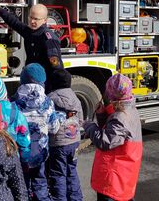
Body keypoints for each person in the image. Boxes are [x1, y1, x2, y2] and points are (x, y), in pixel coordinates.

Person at [83, 74, 143, 201]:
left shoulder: (120, 117)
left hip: (114, 178)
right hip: (124, 174)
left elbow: (104, 142)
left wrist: (89, 126)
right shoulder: (129, 110)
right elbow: (112, 133)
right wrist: (101, 115)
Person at [13, 63, 65, 201]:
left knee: (21, 184)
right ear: (43, 82)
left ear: (22, 80)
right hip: (39, 153)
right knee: (40, 182)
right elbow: (53, 128)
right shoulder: (47, 102)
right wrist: (60, 117)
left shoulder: (15, 102)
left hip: (19, 153)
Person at [0, 0, 63, 92]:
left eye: (36, 19)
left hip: (45, 84)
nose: (32, 21)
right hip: (31, 79)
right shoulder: (30, 31)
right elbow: (14, 22)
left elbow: (56, 65)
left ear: (45, 20)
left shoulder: (49, 38)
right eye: (31, 17)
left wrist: (58, 89)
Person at [47, 69, 83, 201]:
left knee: (58, 174)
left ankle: (60, 198)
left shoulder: (50, 98)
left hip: (58, 144)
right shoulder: (75, 98)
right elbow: (80, 120)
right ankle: (76, 198)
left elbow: (49, 122)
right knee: (72, 170)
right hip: (74, 142)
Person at [0, 75, 31, 164]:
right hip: (12, 159)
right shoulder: (16, 114)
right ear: (4, 92)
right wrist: (25, 160)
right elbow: (24, 140)